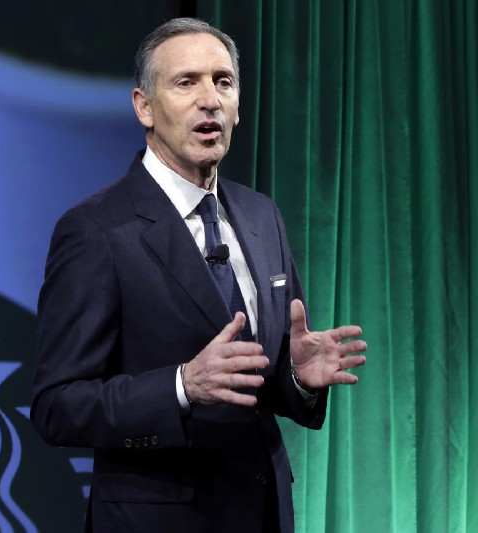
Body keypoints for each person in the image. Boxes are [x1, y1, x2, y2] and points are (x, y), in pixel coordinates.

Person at [31, 17, 367, 533]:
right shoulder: (97, 229)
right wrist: (182, 385)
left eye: (223, 81)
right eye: (186, 82)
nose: (209, 99)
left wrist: (296, 376)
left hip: (262, 513)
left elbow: (257, 381)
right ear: (144, 105)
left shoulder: (260, 215)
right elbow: (57, 406)